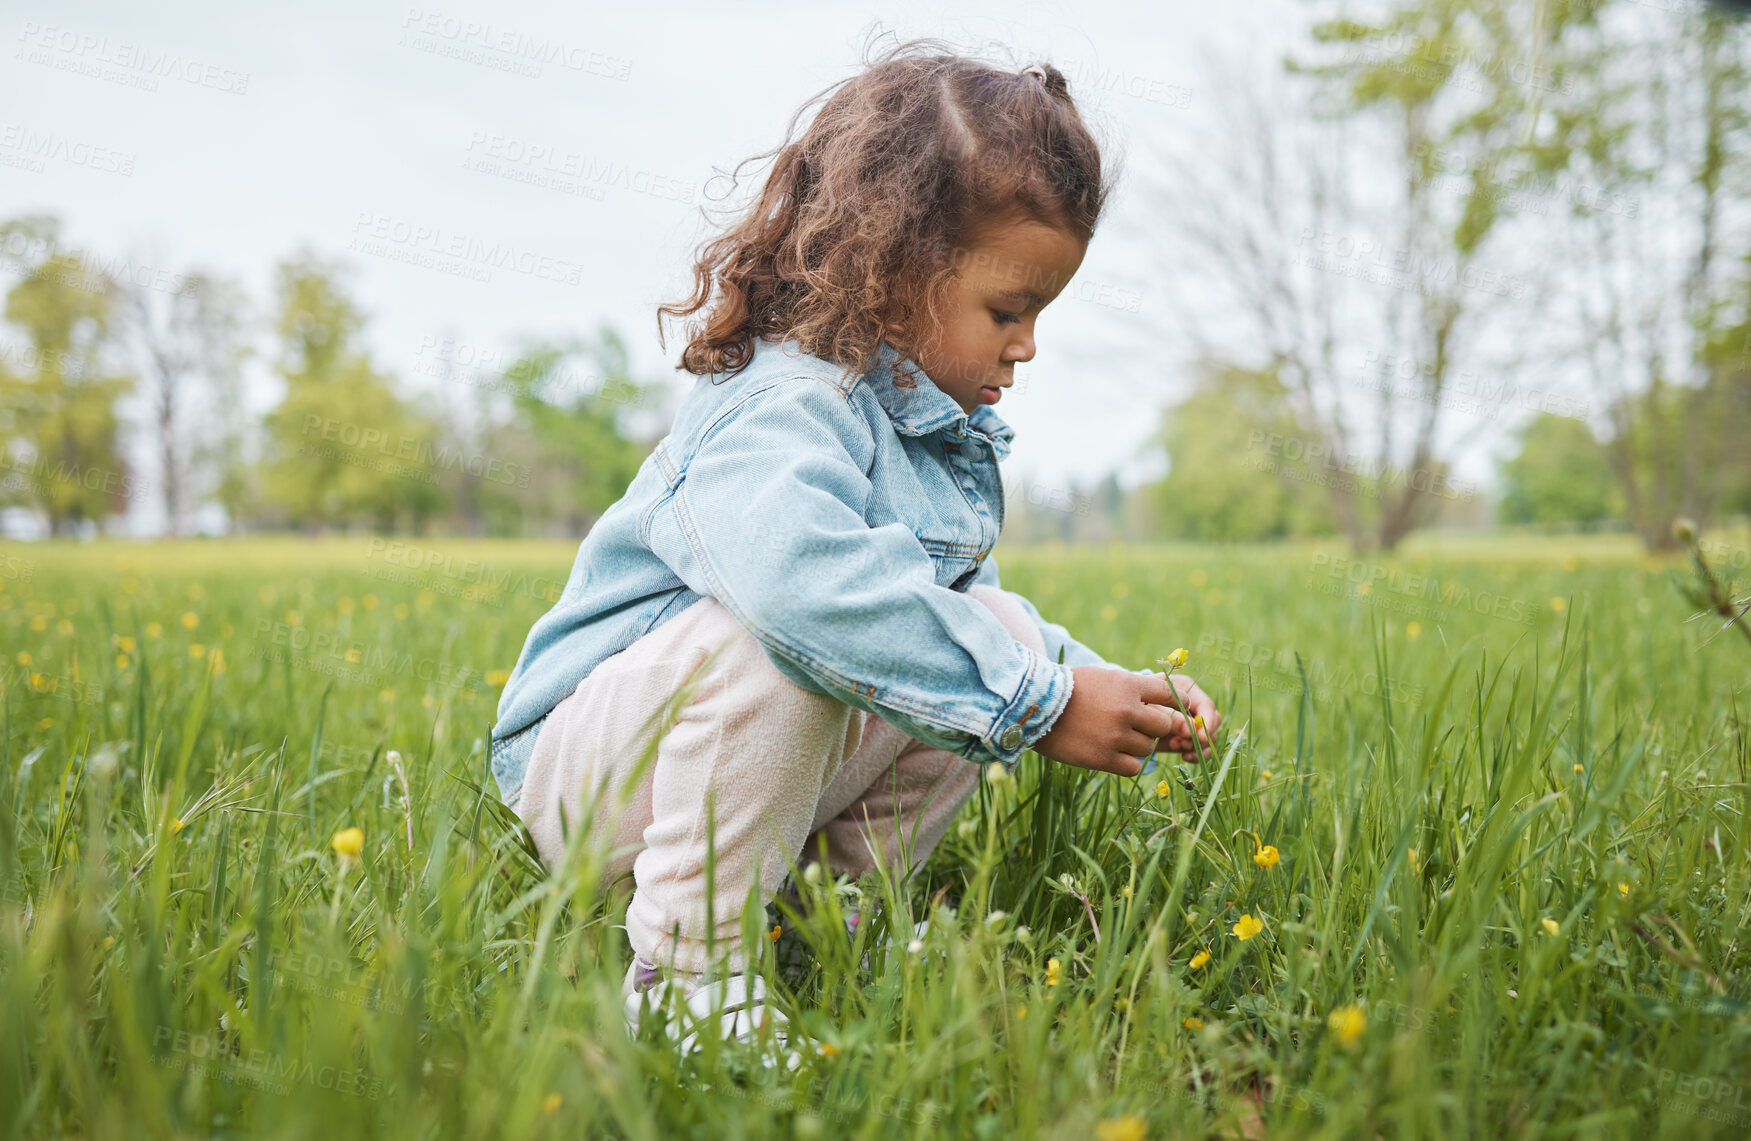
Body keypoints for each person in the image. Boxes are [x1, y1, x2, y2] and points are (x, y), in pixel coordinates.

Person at [488, 38, 1221, 1055]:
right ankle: (689, 972)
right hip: (592, 792)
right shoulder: (779, 409)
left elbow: (959, 625)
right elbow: (800, 588)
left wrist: (1097, 683)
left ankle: (823, 928)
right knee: (797, 626)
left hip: (716, 778)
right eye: (1006, 310)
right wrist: (1036, 704)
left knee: (981, 624)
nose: (1027, 345)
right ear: (897, 272)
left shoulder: (920, 430)